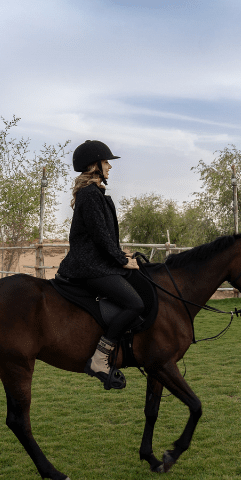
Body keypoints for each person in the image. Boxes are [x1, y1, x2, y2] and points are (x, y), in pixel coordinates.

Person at [57, 140, 144, 390]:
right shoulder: (90, 195)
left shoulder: (96, 195)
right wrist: (121, 261)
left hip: (97, 263)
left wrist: (122, 254)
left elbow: (106, 238)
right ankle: (100, 358)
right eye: (106, 162)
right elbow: (100, 238)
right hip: (89, 267)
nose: (109, 167)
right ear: (94, 165)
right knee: (134, 303)